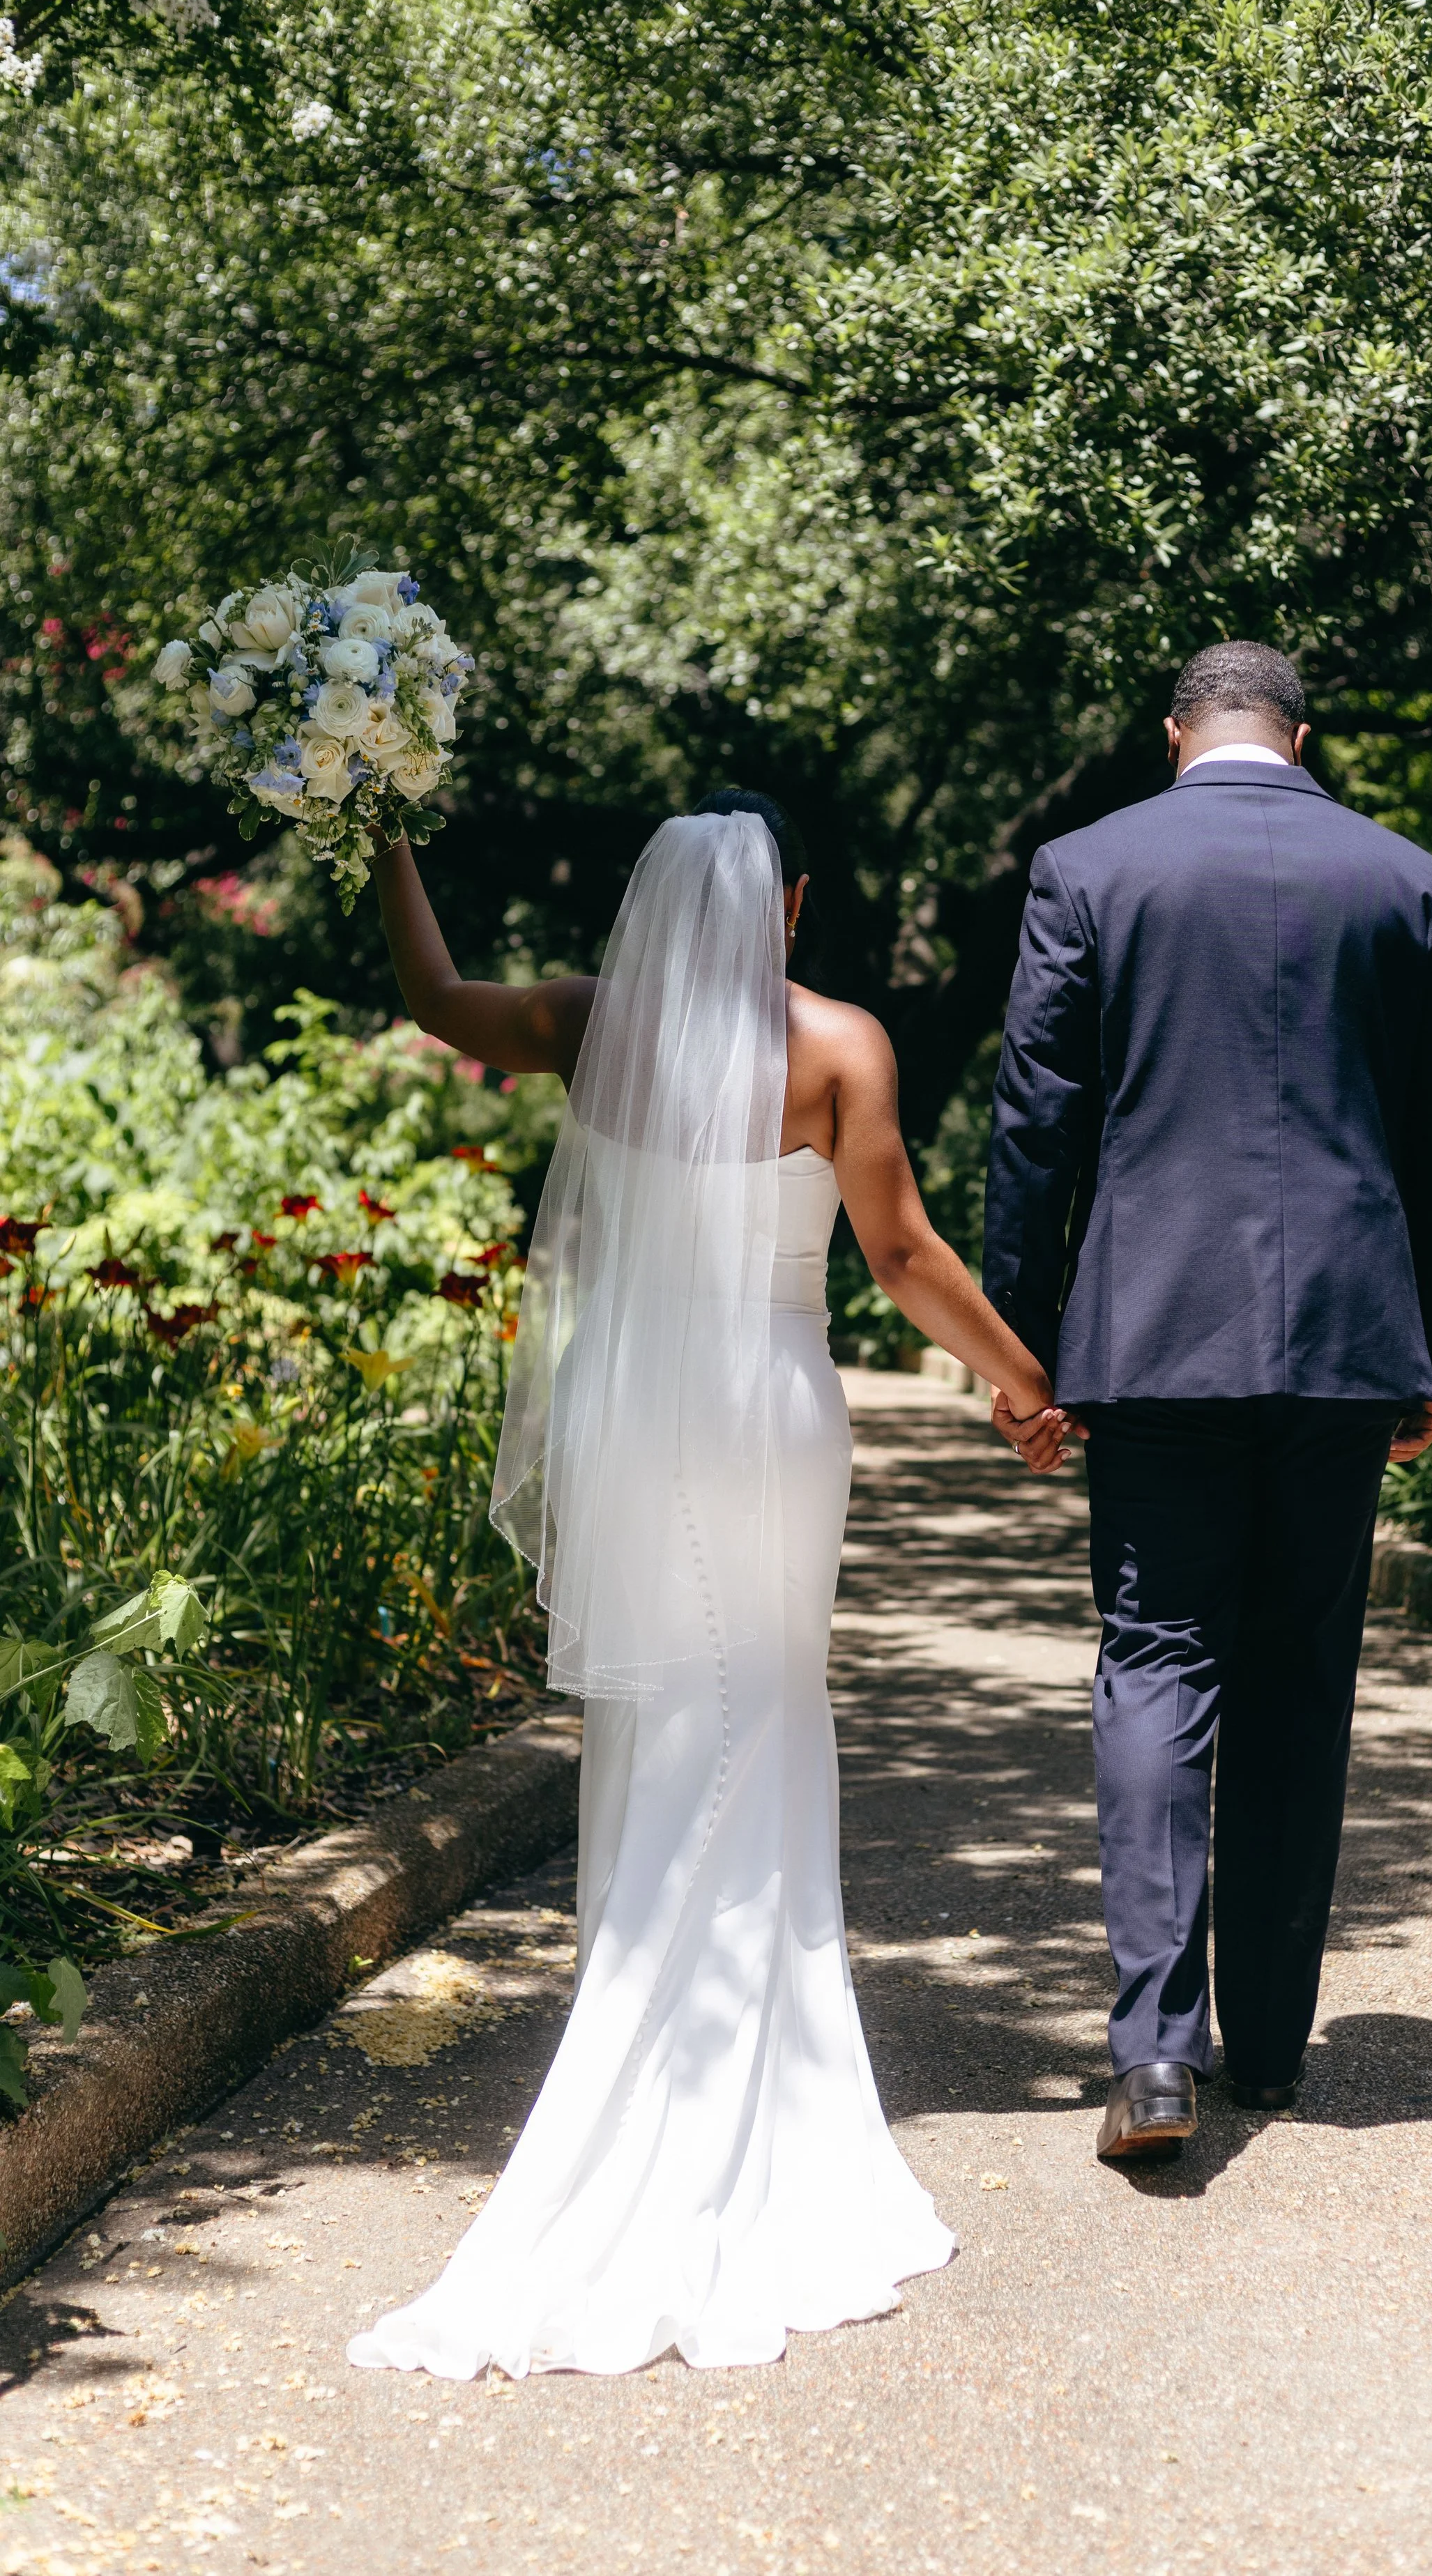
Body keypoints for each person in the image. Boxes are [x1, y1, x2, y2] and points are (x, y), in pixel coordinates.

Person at [347, 790, 1069, 2375]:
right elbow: (900, 1257)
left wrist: (386, 841)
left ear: (650, 908)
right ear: (789, 905)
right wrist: (1025, 1380)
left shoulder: (591, 1023)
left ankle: (666, 2001)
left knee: (674, 1722)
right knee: (767, 1712)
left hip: (637, 1417)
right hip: (768, 1407)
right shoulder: (837, 1045)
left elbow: (432, 999)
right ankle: (743, 2056)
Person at [981, 644, 1432, 2161]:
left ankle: (1152, 2060)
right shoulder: (1408, 883)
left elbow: (1034, 1120)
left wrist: (1021, 1351)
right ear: (1299, 735)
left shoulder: (1088, 868)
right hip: (1344, 1341)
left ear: (1174, 737)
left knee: (1153, 1665)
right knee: (1294, 1676)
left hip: (1149, 1337)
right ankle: (1267, 2045)